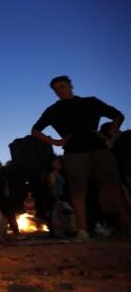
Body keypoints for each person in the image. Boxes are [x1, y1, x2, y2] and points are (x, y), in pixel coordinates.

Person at [31, 75, 130, 241]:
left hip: (99, 149)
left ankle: (128, 227)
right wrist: (55, 141)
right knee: (78, 191)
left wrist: (109, 133)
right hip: (73, 153)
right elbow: (35, 130)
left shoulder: (90, 102)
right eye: (55, 89)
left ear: (70, 86)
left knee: (115, 188)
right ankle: (82, 231)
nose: (59, 91)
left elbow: (118, 115)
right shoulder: (53, 110)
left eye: (62, 86)